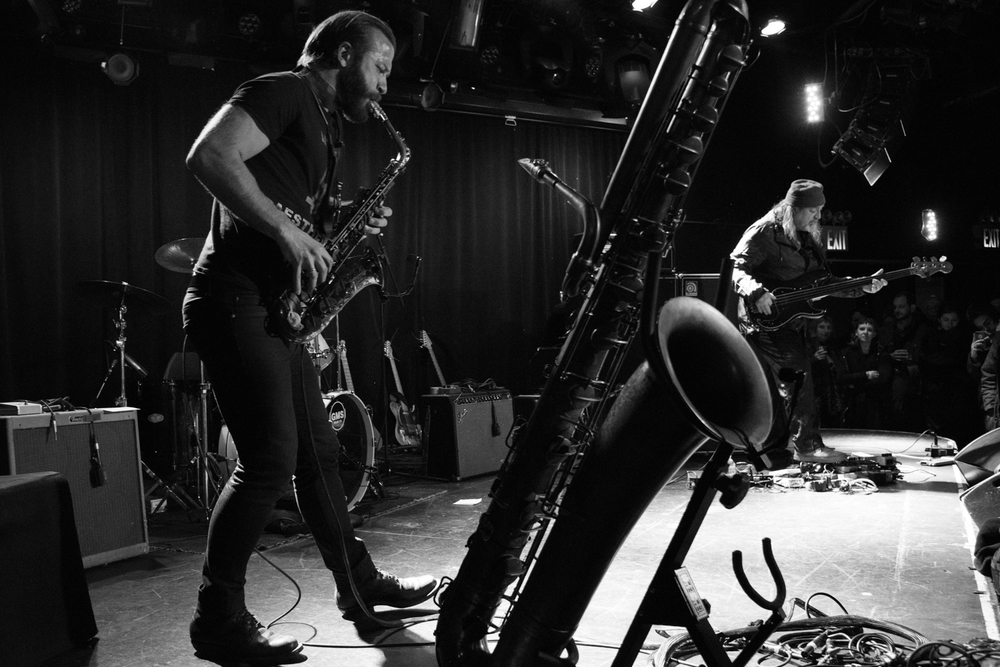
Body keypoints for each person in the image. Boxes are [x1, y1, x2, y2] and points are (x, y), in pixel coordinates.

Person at [182, 11, 437, 662]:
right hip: (232, 300)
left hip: (275, 309)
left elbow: (299, 220)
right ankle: (219, 618)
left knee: (318, 456)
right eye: (380, 67)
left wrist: (346, 219)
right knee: (268, 459)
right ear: (345, 53)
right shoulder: (284, 90)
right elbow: (210, 156)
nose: (383, 86)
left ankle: (360, 585)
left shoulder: (327, 130)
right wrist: (286, 232)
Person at [731, 179, 886, 464]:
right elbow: (736, 267)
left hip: (796, 321)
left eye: (820, 210)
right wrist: (756, 292)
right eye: (813, 210)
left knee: (791, 383)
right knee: (799, 378)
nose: (818, 216)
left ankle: (775, 448)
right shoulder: (765, 231)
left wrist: (862, 286)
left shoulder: (807, 238)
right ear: (793, 208)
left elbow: (824, 283)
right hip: (765, 320)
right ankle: (807, 445)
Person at [880, 292, 930, 432]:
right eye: (895, 307)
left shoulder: (923, 329)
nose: (897, 310)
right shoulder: (887, 330)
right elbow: (879, 355)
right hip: (894, 384)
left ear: (912, 308)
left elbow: (932, 356)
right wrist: (891, 356)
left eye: (901, 306)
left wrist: (916, 358)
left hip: (920, 385)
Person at [836, 316, 893, 429]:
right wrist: (866, 375)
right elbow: (841, 378)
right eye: (862, 329)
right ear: (856, 332)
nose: (865, 332)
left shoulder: (881, 353)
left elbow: (883, 379)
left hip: (876, 403)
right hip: (852, 403)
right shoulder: (846, 353)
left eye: (869, 330)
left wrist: (855, 384)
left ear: (875, 334)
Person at [806, 315, 844, 427]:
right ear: (814, 329)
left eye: (828, 327)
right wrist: (814, 359)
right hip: (814, 393)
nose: (826, 331)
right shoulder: (808, 347)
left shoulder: (833, 347)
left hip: (831, 394)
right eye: (822, 327)